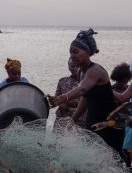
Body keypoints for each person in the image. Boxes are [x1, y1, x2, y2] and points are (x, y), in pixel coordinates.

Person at [48, 28, 126, 163]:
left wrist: (62, 97)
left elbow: (82, 89)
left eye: (76, 52)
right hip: (93, 122)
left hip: (109, 124)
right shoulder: (80, 72)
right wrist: (73, 120)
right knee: (93, 160)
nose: (72, 55)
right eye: (70, 52)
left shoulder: (96, 71)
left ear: (88, 52)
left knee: (113, 160)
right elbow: (85, 97)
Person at [54, 58, 86, 128]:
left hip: (80, 121)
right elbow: (56, 100)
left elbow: (84, 102)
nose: (75, 69)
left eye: (77, 66)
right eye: (72, 66)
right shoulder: (62, 81)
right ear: (69, 67)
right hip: (61, 119)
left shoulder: (86, 83)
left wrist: (64, 101)